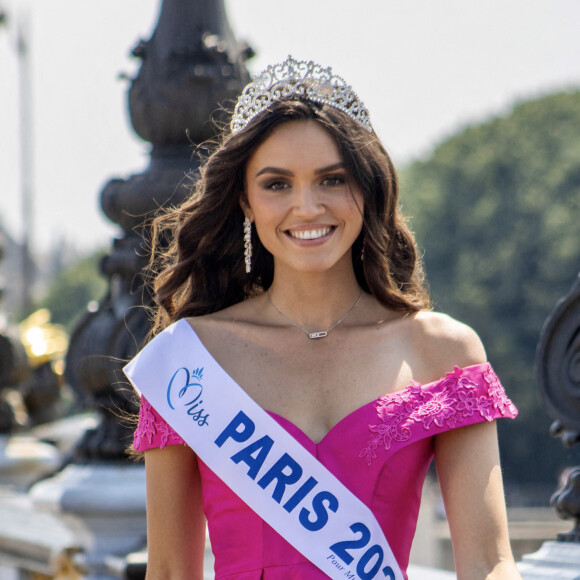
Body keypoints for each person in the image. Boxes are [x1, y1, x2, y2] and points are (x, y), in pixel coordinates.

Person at [126, 56, 521, 580]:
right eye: (277, 184)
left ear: (367, 187)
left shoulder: (441, 352)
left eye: (332, 179)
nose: (307, 207)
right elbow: (172, 571)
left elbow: (488, 563)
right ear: (245, 200)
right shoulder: (191, 361)